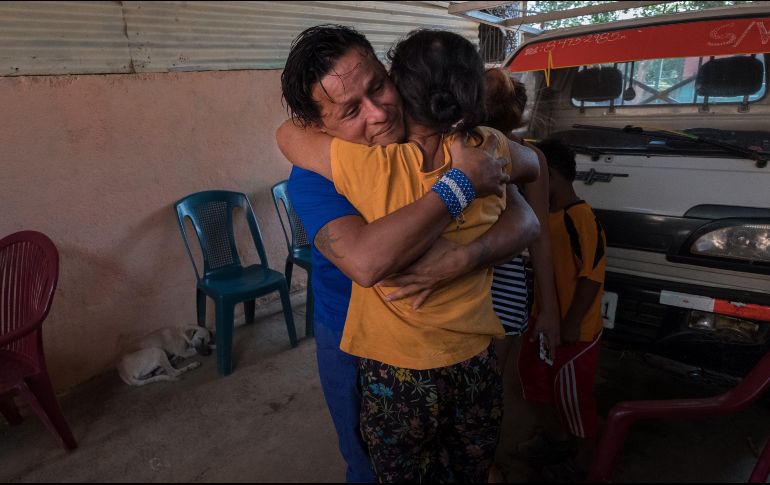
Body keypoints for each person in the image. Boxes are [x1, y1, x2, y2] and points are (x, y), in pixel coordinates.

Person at [279, 25, 540, 482]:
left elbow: (527, 213)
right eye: (351, 110)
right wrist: (460, 185)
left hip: (457, 344)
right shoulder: (316, 176)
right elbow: (366, 263)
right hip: (357, 337)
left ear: (392, 73)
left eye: (378, 86)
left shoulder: (454, 141)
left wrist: (465, 257)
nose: (379, 113)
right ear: (318, 127)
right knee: (369, 464)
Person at [483, 67, 562, 483]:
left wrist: (548, 310)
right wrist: (547, 308)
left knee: (475, 387)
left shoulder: (516, 157)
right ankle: (483, 462)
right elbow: (542, 239)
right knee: (484, 386)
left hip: (490, 287)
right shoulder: (530, 156)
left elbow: (541, 237)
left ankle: (482, 464)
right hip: (500, 289)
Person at [517, 139, 607, 482]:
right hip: (543, 323)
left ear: (549, 176)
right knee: (536, 382)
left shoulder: (580, 218)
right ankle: (556, 441)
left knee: (573, 397)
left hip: (575, 332)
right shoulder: (547, 219)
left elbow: (591, 276)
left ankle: (584, 459)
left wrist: (572, 322)